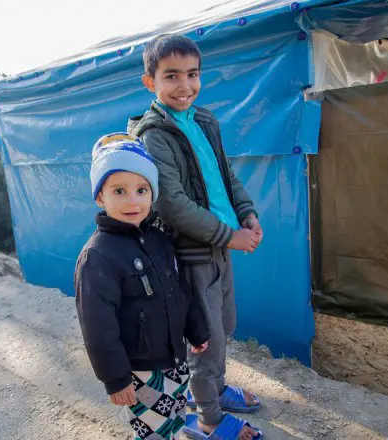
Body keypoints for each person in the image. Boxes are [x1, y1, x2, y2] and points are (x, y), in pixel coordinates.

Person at [128, 34, 264, 440]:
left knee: (226, 325)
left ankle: (215, 392)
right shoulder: (152, 134)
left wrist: (248, 212)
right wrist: (230, 235)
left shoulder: (204, 120)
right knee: (205, 341)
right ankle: (208, 419)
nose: (185, 86)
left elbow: (227, 175)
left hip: (221, 247)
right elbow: (172, 205)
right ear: (149, 81)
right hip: (192, 254)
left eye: (192, 74)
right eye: (171, 76)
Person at [75, 132, 210, 440]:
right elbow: (98, 327)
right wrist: (116, 378)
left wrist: (196, 329)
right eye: (119, 191)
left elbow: (178, 292)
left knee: (175, 417)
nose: (132, 201)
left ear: (152, 193)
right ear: (100, 196)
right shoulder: (98, 256)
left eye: (141, 190)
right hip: (141, 372)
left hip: (175, 358)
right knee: (152, 432)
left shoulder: (159, 239)